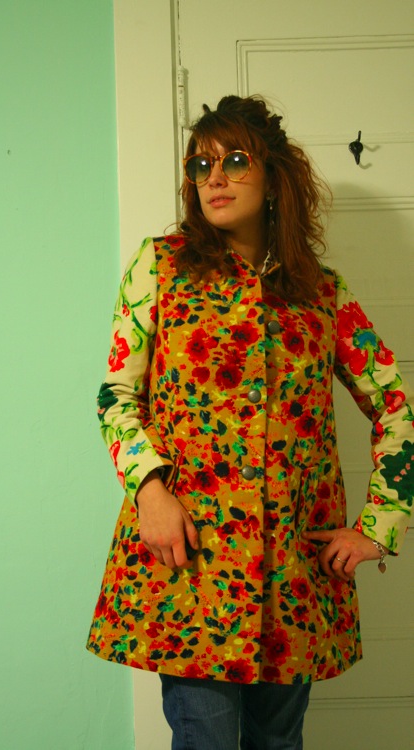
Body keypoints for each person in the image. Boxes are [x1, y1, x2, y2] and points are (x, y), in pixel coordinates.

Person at [86, 95, 413, 749]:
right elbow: (117, 394)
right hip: (190, 562)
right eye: (201, 164)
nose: (214, 177)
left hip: (293, 576)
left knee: (278, 745)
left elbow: (396, 410)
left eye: (235, 160)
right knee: (203, 740)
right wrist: (150, 492)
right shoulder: (161, 267)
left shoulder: (322, 292)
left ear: (274, 178)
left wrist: (379, 526)